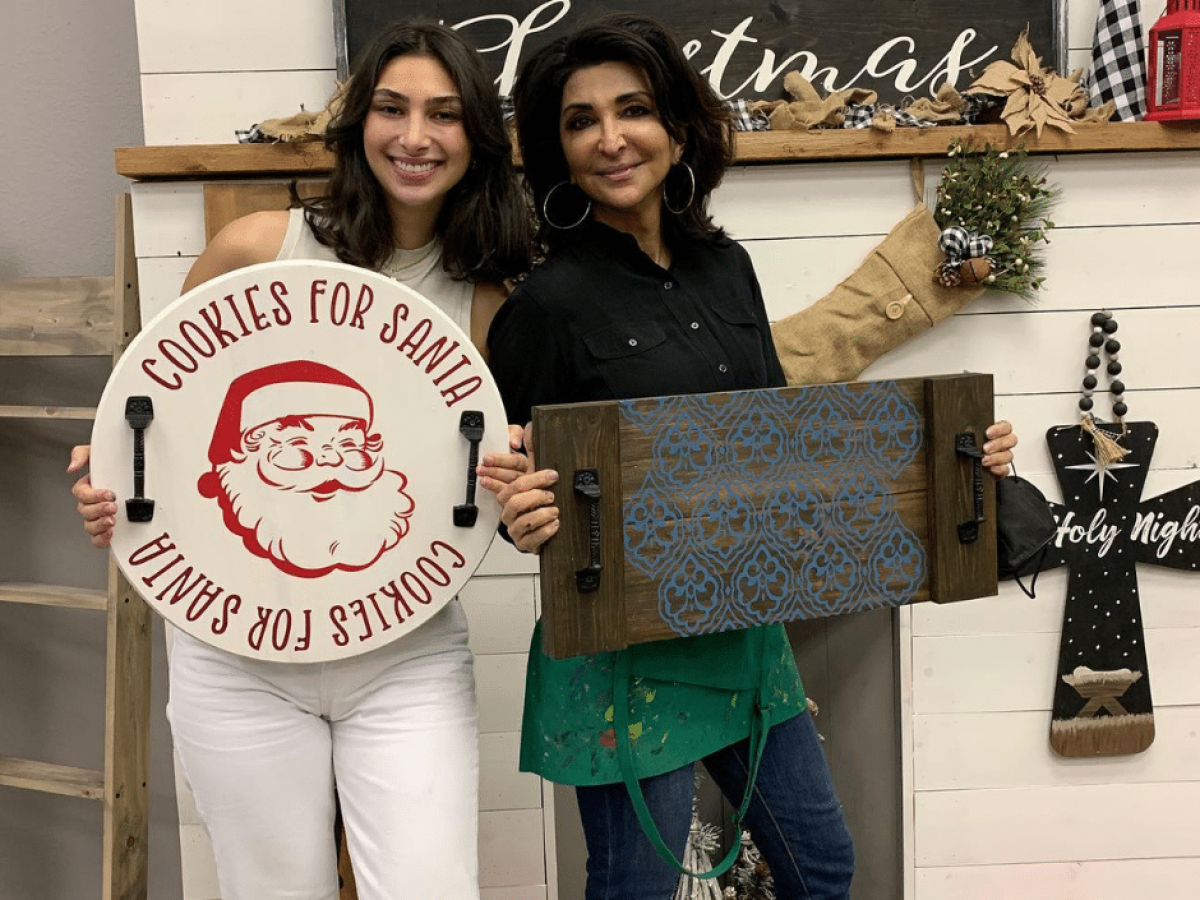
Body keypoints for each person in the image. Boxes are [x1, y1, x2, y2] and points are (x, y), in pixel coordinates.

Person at [477, 14, 1017, 900]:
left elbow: (783, 446)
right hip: (624, 652)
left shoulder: (727, 268)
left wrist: (956, 461)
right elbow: (520, 505)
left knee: (821, 867)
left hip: (739, 629)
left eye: (634, 109)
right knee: (638, 887)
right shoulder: (544, 306)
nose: (611, 139)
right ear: (555, 148)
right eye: (580, 121)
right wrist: (522, 516)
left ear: (679, 127)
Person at [68, 20, 532, 900]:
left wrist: (514, 488)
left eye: (443, 114)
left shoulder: (489, 301)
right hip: (233, 650)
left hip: (405, 649)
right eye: (391, 109)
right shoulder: (258, 247)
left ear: (476, 136)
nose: (414, 137)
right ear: (359, 123)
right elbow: (155, 415)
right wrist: (111, 481)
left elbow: (489, 491)